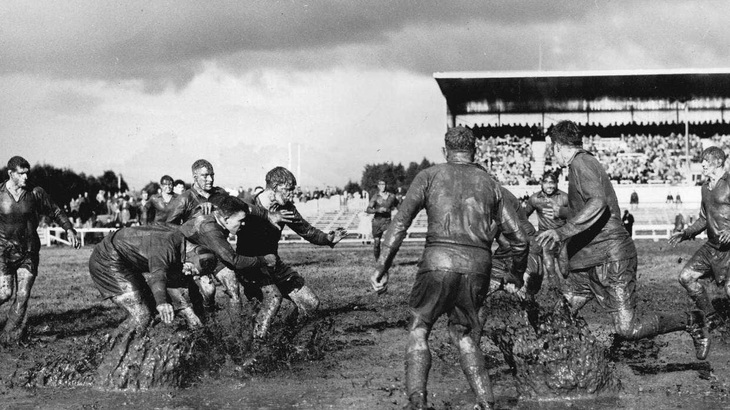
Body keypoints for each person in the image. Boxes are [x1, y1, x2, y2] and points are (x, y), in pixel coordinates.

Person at [370, 127, 528, 410]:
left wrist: (382, 266)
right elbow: (519, 239)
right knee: (464, 334)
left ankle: (418, 402)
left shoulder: (429, 176)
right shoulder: (490, 183)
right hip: (478, 267)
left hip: (437, 261)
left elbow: (399, 225)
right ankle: (485, 402)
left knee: (419, 328)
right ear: (474, 152)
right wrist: (515, 274)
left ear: (445, 150)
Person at [536, 120, 710, 361]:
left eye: (551, 149)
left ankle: (692, 320)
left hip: (611, 256)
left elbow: (598, 203)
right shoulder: (582, 163)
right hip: (589, 258)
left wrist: (562, 232)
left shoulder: (580, 162)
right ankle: (561, 363)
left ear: (557, 146)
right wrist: (565, 216)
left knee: (628, 329)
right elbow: (593, 206)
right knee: (562, 312)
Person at [218, 167, 347, 346]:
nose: (291, 195)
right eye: (288, 190)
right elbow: (220, 225)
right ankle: (257, 351)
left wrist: (328, 238)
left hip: (274, 264)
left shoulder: (286, 209)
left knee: (311, 304)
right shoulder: (247, 204)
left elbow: (307, 231)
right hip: (251, 266)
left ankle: (282, 343)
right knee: (271, 301)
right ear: (275, 187)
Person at [0, 156, 80, 343]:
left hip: (28, 251)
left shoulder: (36, 193)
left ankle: (10, 335)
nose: (26, 177)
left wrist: (69, 229)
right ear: (11, 174)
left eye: (28, 173)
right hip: (3, 251)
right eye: (21, 174)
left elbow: (56, 211)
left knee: (23, 295)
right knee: (4, 293)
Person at [89, 224, 217, 330]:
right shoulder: (166, 247)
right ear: (191, 256)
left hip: (127, 260)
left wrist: (206, 307)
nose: (189, 274)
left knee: (154, 312)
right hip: (107, 260)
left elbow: (190, 290)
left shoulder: (184, 243)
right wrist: (162, 302)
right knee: (142, 316)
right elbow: (157, 276)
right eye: (191, 270)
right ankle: (110, 350)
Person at [671, 146, 730, 338]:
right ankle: (712, 316)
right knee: (686, 277)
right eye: (702, 160)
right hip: (712, 247)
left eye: (706, 160)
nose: (702, 164)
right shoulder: (705, 188)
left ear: (719, 162)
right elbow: (704, 219)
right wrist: (686, 233)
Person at [523, 171, 569, 282]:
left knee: (564, 270)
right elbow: (523, 216)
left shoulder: (564, 197)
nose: (549, 185)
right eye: (546, 182)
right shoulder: (535, 198)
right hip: (544, 235)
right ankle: (554, 291)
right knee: (549, 266)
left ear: (557, 183)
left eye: (552, 182)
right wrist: (531, 233)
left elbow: (574, 216)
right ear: (541, 183)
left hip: (561, 235)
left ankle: (568, 287)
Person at [166, 160, 229, 225]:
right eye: (205, 176)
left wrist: (216, 208)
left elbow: (236, 214)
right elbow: (169, 226)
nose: (210, 179)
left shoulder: (221, 193)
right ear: (195, 177)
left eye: (212, 175)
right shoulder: (184, 199)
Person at [366, 180, 399, 260]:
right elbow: (368, 209)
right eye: (381, 185)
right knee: (377, 243)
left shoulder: (392, 196)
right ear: (378, 186)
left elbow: (399, 206)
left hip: (387, 221)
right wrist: (377, 210)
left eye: (384, 184)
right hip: (377, 222)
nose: (382, 186)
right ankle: (378, 261)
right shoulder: (375, 196)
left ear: (386, 185)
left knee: (389, 242)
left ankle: (385, 261)